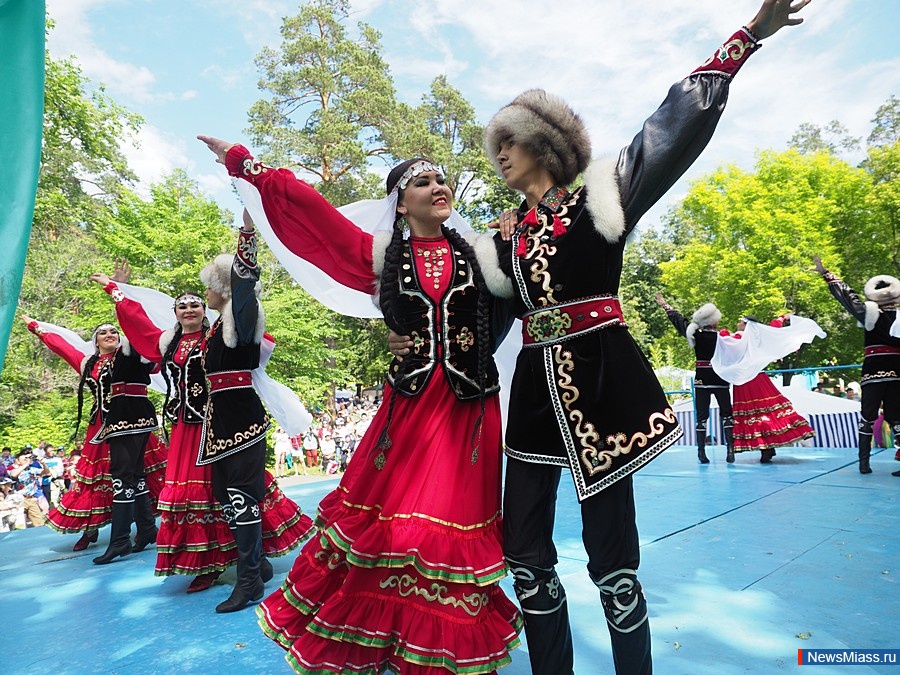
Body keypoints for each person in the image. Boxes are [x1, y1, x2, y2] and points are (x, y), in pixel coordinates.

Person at [420, 2, 809, 672]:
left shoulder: (604, 194)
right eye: (496, 147)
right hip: (534, 401)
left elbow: (670, 128)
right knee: (524, 549)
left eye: (507, 141)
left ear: (541, 142)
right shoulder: (505, 237)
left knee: (612, 555)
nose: (500, 155)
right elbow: (476, 323)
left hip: (600, 387)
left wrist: (747, 38)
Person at [198, 136, 522, 672]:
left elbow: (523, 286)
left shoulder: (483, 252)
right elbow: (312, 216)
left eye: (441, 180)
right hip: (414, 406)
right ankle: (386, 632)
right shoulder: (379, 260)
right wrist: (244, 164)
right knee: (396, 523)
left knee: (454, 524)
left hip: (469, 406)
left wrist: (517, 222)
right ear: (399, 203)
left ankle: (443, 640)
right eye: (423, 183)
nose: (438, 188)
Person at [90, 261, 312, 596]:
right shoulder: (169, 344)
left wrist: (245, 248)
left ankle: (248, 563)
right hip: (186, 428)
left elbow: (243, 309)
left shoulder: (219, 334)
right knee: (203, 495)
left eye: (196, 302)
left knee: (227, 492)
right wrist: (117, 292)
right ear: (175, 314)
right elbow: (139, 328)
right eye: (183, 305)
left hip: (220, 423)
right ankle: (208, 562)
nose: (191, 307)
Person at [23, 316, 166, 554]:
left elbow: (146, 350)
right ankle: (90, 529)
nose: (110, 334)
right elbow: (62, 347)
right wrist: (36, 328)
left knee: (137, 474)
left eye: (114, 331)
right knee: (96, 480)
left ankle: (144, 528)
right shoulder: (87, 362)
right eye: (103, 333)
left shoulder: (128, 356)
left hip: (130, 421)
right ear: (95, 342)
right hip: (101, 426)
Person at [813, 255, 900, 475]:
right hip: (898, 370)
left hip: (874, 372)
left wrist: (827, 274)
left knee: (867, 416)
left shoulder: (870, 313)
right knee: (896, 416)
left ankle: (864, 463)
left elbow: (848, 297)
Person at [716, 316, 818, 463]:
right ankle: (767, 448)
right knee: (765, 413)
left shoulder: (738, 338)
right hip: (757, 377)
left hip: (745, 380)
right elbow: (773, 331)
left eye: (740, 321)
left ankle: (766, 448)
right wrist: (781, 318)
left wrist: (723, 332)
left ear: (747, 325)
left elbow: (725, 342)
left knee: (757, 414)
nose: (737, 323)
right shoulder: (757, 339)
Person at [657, 295, 735, 463]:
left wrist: (666, 306)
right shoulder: (722, 338)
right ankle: (730, 451)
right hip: (720, 378)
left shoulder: (696, 335)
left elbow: (679, 321)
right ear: (714, 322)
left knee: (701, 415)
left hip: (701, 378)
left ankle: (701, 452)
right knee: (727, 414)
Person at [8, 449, 50, 527]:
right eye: (24, 459)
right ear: (17, 461)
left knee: (39, 522)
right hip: (19, 500)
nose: (27, 460)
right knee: (20, 525)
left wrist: (43, 464)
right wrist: (26, 464)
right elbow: (14, 475)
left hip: (31, 499)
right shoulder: (13, 469)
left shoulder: (32, 469)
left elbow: (48, 473)